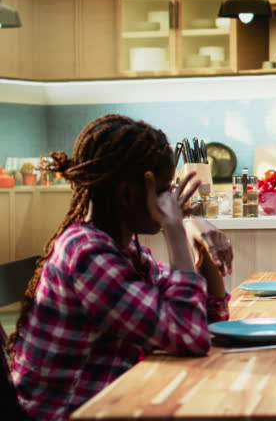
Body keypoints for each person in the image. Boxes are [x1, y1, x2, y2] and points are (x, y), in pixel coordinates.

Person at [7, 115, 233, 421]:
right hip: (70, 412)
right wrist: (177, 233)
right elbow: (190, 335)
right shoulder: (87, 254)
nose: (172, 202)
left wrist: (200, 243)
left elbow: (208, 317)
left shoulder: (126, 252)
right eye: (165, 190)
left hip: (111, 402)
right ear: (128, 194)